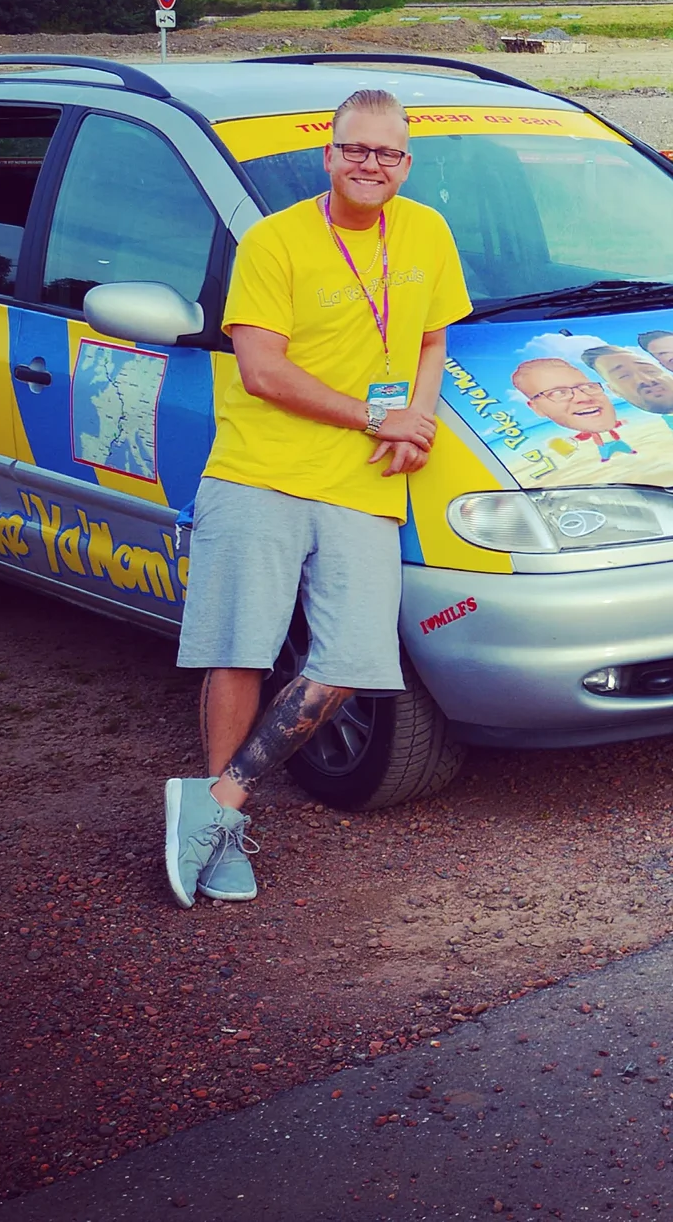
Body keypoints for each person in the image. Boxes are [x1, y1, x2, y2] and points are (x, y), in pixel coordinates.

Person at [164, 89, 470, 907]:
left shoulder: (428, 233)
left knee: (351, 657)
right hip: (261, 472)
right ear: (329, 157)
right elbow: (262, 371)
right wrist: (379, 412)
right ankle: (221, 834)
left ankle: (217, 799)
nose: (372, 164)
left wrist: (419, 421)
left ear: (408, 163)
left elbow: (434, 339)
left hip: (365, 481)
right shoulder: (274, 242)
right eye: (357, 150)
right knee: (241, 650)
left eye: (389, 154)